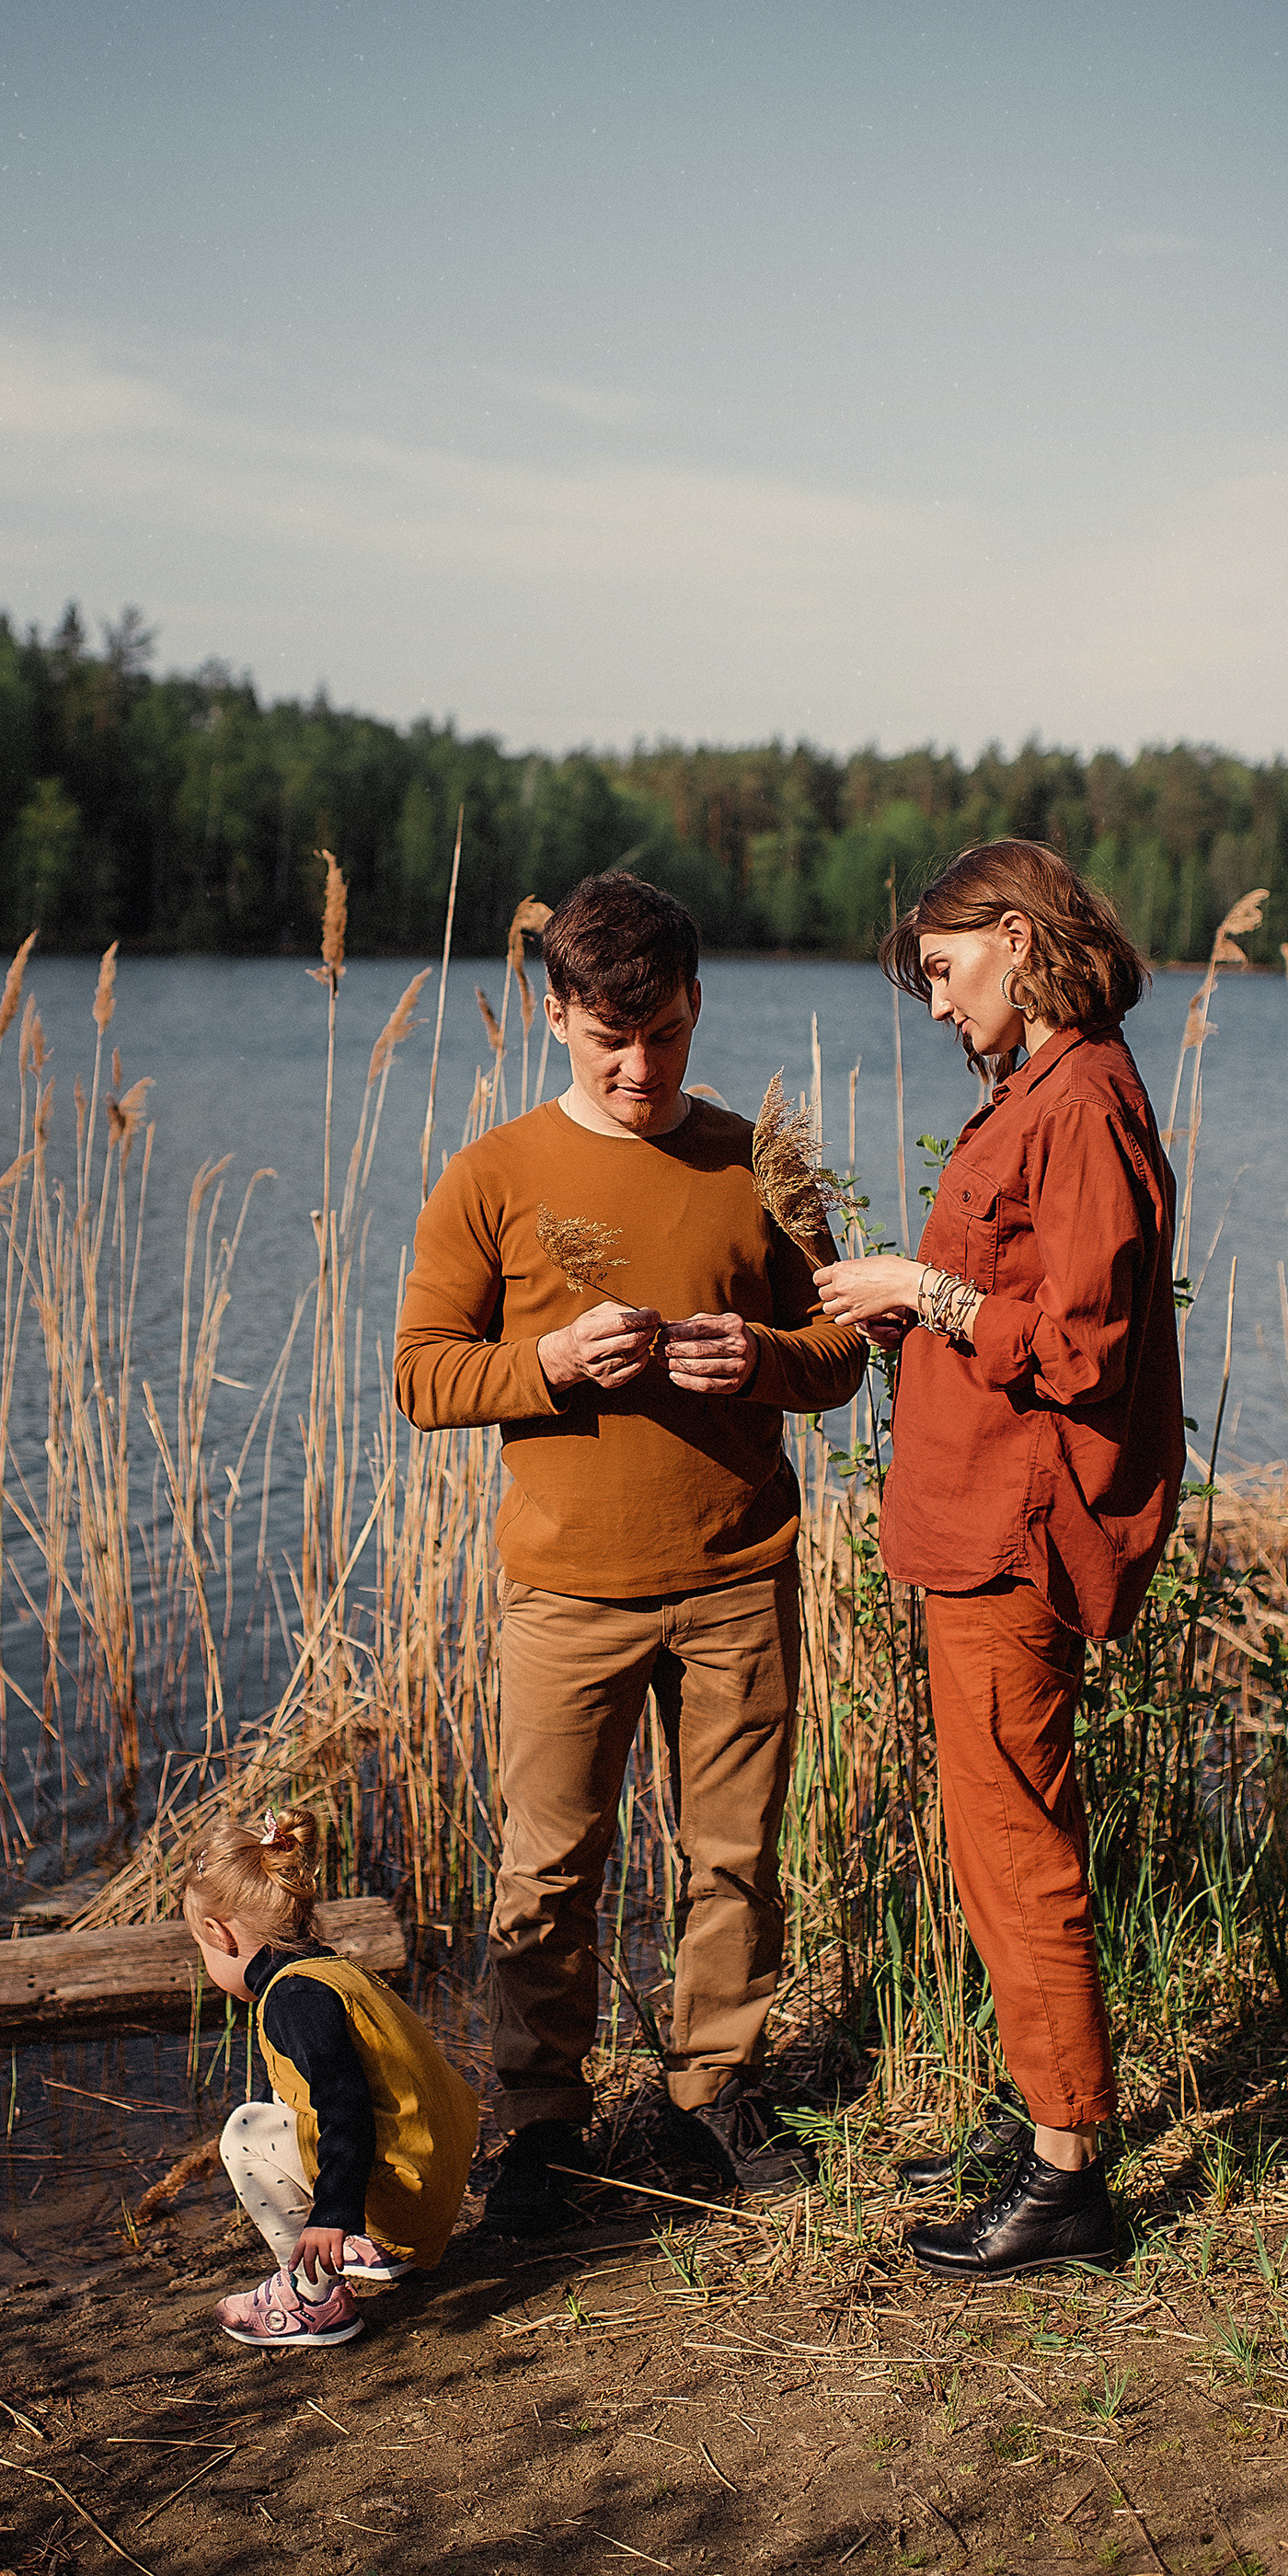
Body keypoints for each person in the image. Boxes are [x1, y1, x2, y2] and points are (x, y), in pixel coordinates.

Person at [395, 870, 867, 2236]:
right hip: (568, 1594)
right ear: (556, 1016)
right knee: (547, 1871)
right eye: (611, 1038)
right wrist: (544, 1361)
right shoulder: (492, 1175)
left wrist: (763, 1357)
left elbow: (841, 1351)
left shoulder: (758, 1162)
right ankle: (543, 2121)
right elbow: (421, 1374)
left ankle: (712, 2092)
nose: (642, 1066)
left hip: (739, 1577)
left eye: (663, 1033)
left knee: (736, 1855)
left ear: (696, 1004)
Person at [814, 839, 1184, 2279]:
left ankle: (1067, 2176)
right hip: (974, 1516)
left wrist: (926, 1289)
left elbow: (1087, 1348)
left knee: (1017, 1847)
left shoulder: (1079, 1097)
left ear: (1019, 939)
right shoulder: (1040, 1087)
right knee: (998, 1835)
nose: (936, 1001)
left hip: (1011, 1532)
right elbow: (1026, 1300)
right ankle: (1044, 2114)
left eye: (946, 967)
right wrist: (925, 1308)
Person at [182, 1806, 480, 2347]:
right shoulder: (335, 1973)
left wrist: (332, 2213)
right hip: (434, 2178)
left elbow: (347, 2110)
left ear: (218, 1934)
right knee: (283, 2106)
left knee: (245, 2130)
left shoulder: (292, 1998)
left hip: (406, 2196)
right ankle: (374, 2246)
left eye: (200, 1949)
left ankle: (311, 2298)